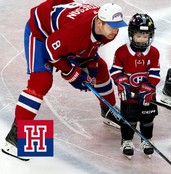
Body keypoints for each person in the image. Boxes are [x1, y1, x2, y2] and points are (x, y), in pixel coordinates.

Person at [1, 0, 127, 160]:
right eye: (112, 26)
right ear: (100, 23)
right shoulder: (77, 32)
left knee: (100, 69)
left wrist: (92, 67)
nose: (115, 32)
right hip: (41, 33)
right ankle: (16, 137)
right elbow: (49, 51)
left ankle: (108, 109)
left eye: (117, 26)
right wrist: (72, 72)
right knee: (41, 80)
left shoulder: (107, 31)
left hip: (62, 32)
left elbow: (88, 47)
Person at [110, 13, 160, 159]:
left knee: (147, 120)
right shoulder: (121, 51)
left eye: (145, 36)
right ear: (131, 34)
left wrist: (148, 87)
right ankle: (127, 140)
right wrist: (122, 82)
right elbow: (115, 71)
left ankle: (146, 140)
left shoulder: (153, 52)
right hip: (129, 96)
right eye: (139, 35)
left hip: (148, 96)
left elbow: (155, 73)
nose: (142, 39)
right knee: (128, 120)